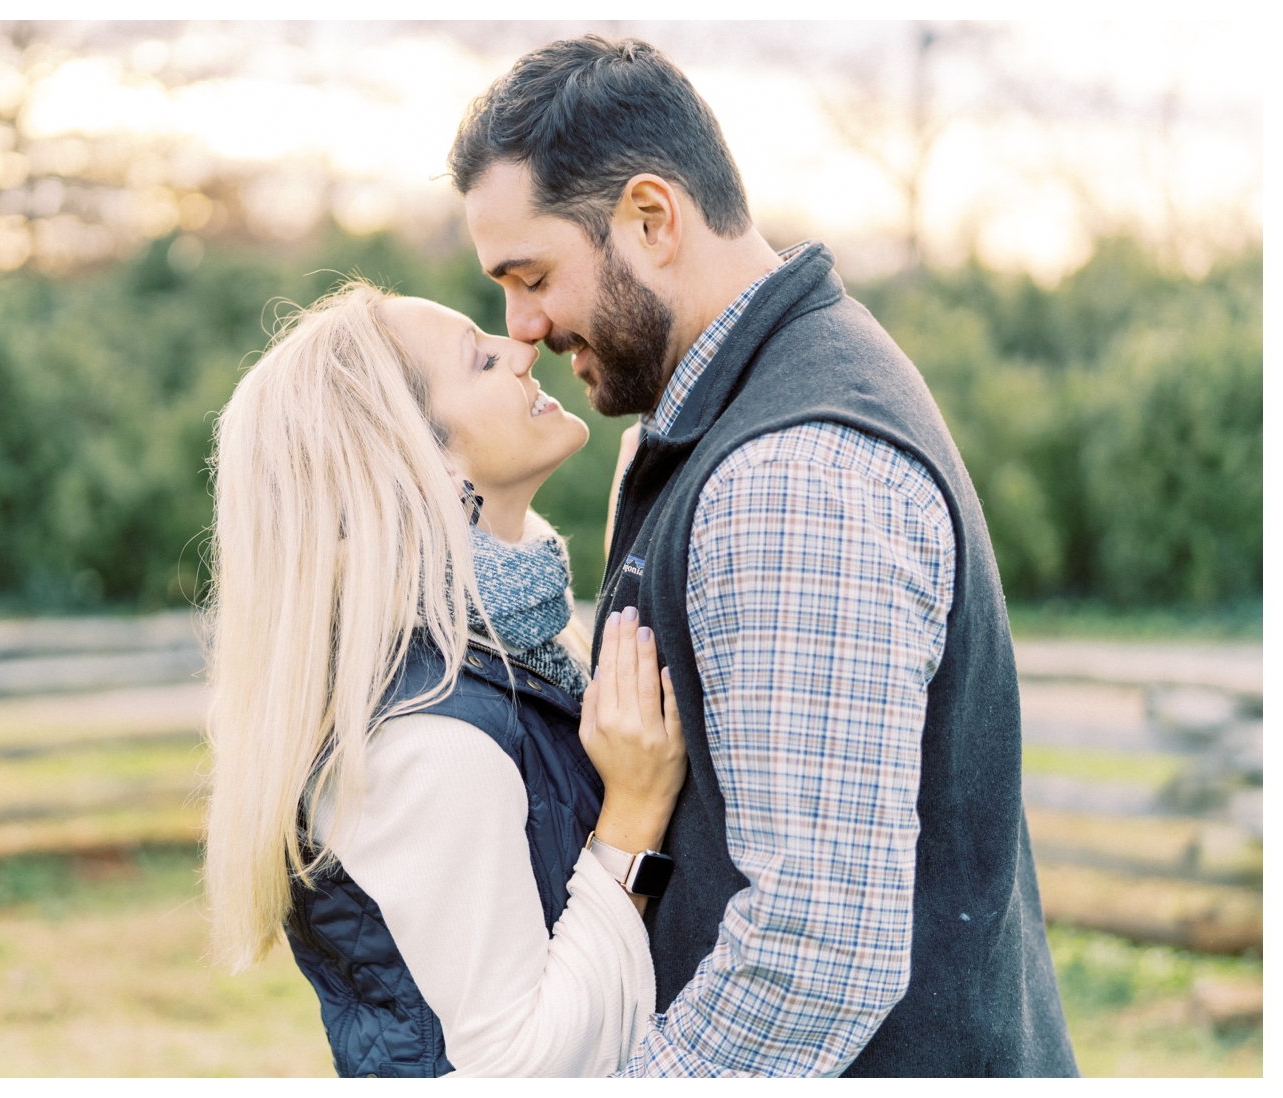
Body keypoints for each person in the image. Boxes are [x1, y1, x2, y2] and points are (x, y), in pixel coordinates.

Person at [448, 35, 1079, 1077]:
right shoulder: (715, 419)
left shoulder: (790, 471)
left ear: (650, 219)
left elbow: (812, 948)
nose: (521, 327)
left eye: (534, 275)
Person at [202, 281, 690, 1077]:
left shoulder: (509, 647)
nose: (521, 347)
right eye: (479, 357)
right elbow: (521, 1069)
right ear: (419, 459)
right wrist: (633, 815)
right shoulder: (428, 745)